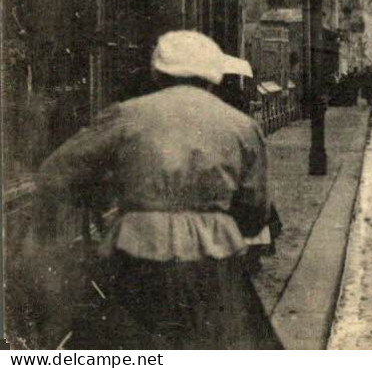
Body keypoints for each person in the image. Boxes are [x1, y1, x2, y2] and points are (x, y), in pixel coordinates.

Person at [35, 31, 281, 348]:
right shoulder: (241, 126)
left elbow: (56, 172)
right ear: (214, 77)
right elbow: (254, 211)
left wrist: (98, 199)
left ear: (158, 73)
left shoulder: (126, 115)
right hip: (214, 261)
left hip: (137, 255)